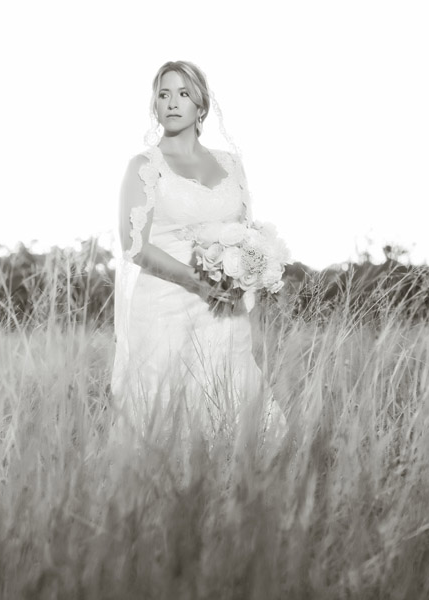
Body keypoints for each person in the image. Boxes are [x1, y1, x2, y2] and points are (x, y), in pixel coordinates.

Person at [110, 60, 287, 449]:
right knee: (165, 413)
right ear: (154, 107)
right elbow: (134, 245)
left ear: (201, 106)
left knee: (234, 396)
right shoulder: (144, 166)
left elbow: (244, 233)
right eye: (163, 94)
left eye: (183, 94)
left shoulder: (230, 164)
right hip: (165, 305)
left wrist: (250, 272)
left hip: (224, 308)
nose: (172, 103)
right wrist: (198, 283)